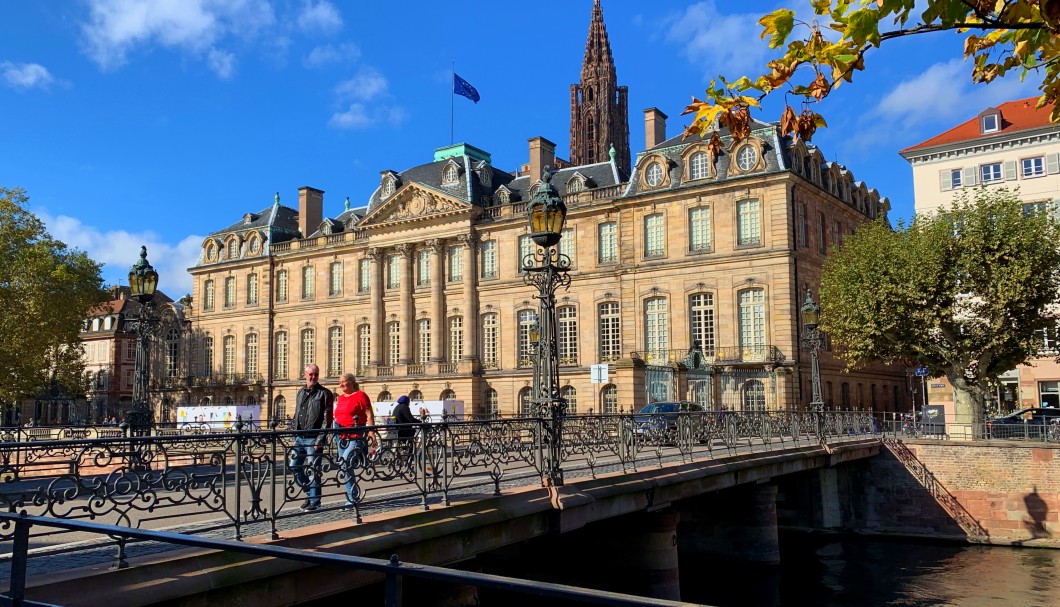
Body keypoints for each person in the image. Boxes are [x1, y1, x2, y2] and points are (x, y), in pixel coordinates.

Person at [289, 363, 334, 512]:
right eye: (311, 374)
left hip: (313, 438)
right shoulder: (300, 392)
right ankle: (310, 494)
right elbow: (297, 413)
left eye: (316, 374)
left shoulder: (325, 393)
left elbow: (327, 420)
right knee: (294, 465)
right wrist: (293, 430)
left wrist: (320, 439)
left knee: (314, 469)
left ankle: (315, 501)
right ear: (305, 374)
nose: (313, 377)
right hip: (300, 437)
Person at [333, 373, 376, 508]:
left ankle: (353, 497)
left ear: (351, 382)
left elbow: (369, 414)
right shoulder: (340, 398)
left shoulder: (360, 395)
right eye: (340, 382)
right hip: (341, 436)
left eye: (344, 382)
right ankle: (353, 495)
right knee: (344, 465)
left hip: (356, 435)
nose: (341, 385)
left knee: (345, 463)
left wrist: (371, 431)